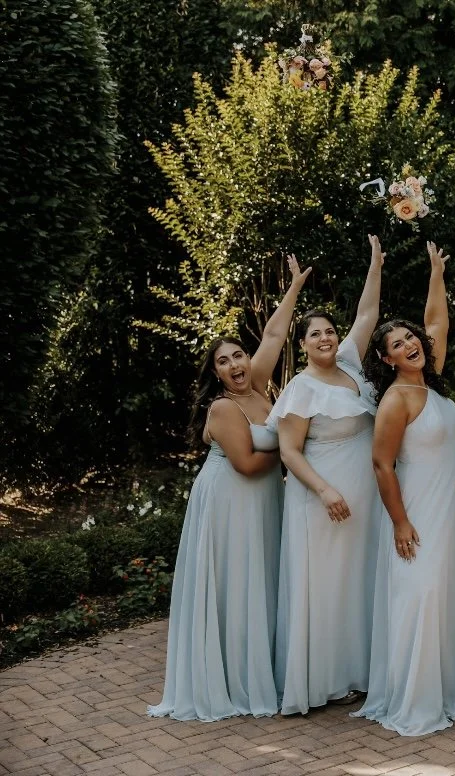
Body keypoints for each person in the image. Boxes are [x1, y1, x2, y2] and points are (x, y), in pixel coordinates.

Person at [149, 255, 310, 721]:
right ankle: (235, 679)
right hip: (232, 499)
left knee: (259, 580)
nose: (236, 364)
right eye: (224, 361)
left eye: (238, 354)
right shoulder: (223, 408)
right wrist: (293, 449)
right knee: (239, 582)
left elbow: (276, 336)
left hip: (264, 498)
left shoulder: (258, 387)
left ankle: (261, 668)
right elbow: (245, 464)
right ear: (215, 373)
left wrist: (294, 287)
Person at [354, 242, 455, 736]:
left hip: (449, 504)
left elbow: (438, 323)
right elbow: (381, 465)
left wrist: (436, 272)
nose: (409, 345)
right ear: (386, 359)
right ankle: (415, 696)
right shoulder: (396, 400)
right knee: (421, 591)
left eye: (410, 338)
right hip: (418, 509)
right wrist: (401, 521)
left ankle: (450, 685)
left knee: (447, 590)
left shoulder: (431, 383)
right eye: (397, 345)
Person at [270, 235, 384, 715]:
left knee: (359, 578)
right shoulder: (301, 388)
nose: (325, 338)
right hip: (322, 493)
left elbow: (368, 315)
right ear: (301, 344)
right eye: (314, 334)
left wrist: (375, 263)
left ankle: (359, 671)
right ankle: (322, 677)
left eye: (329, 331)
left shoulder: (351, 366)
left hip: (367, 490)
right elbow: (289, 452)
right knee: (326, 580)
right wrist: (324, 490)